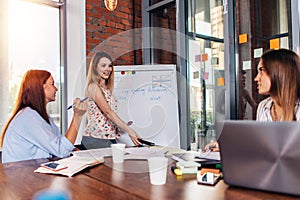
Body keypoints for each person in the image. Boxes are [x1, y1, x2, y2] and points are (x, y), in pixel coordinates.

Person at [205, 48, 300, 152]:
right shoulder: (263, 107)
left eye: (261, 71)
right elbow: (260, 146)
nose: (256, 78)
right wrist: (228, 145)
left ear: (279, 73)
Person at [0, 70, 87, 163]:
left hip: (31, 170)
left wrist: (82, 155)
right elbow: (61, 150)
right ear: (41, 87)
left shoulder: (40, 116)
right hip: (22, 174)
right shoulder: (29, 117)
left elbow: (60, 143)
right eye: (53, 84)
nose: (56, 88)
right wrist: (77, 116)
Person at [82, 52, 141, 149]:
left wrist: (124, 125)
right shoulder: (93, 87)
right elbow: (108, 112)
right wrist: (129, 131)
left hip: (109, 138)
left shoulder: (107, 89)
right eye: (103, 65)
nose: (108, 69)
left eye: (110, 66)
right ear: (95, 68)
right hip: (96, 140)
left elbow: (110, 114)